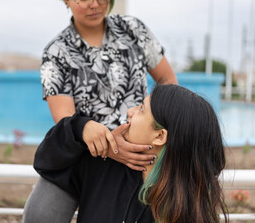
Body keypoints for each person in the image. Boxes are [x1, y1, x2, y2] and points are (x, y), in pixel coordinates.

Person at [22, 0, 177, 222]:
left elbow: (167, 79)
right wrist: (110, 146)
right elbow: (66, 120)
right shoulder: (56, 52)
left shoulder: (133, 29)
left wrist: (160, 123)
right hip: (86, 152)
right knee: (39, 216)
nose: (95, 4)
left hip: (143, 150)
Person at [34, 84, 228, 223]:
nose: (130, 112)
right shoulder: (104, 162)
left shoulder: (187, 208)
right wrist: (80, 128)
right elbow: (47, 162)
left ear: (160, 136)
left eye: (142, 109)